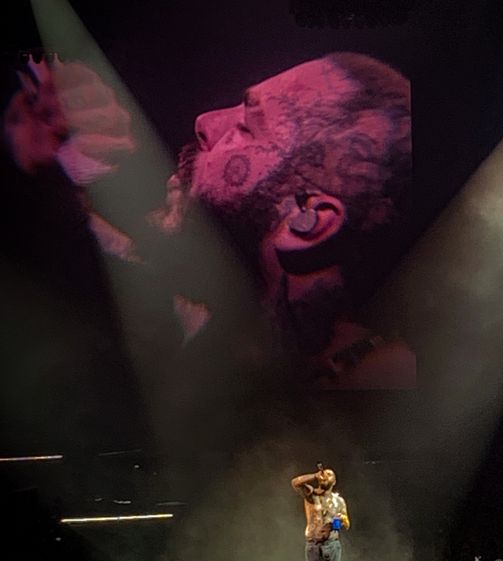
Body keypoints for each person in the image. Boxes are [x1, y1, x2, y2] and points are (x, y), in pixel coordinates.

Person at [3, 51, 415, 399]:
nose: (206, 121)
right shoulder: (221, 326)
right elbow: (130, 246)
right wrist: (65, 165)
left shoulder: (379, 396)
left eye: (247, 125)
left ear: (310, 224)